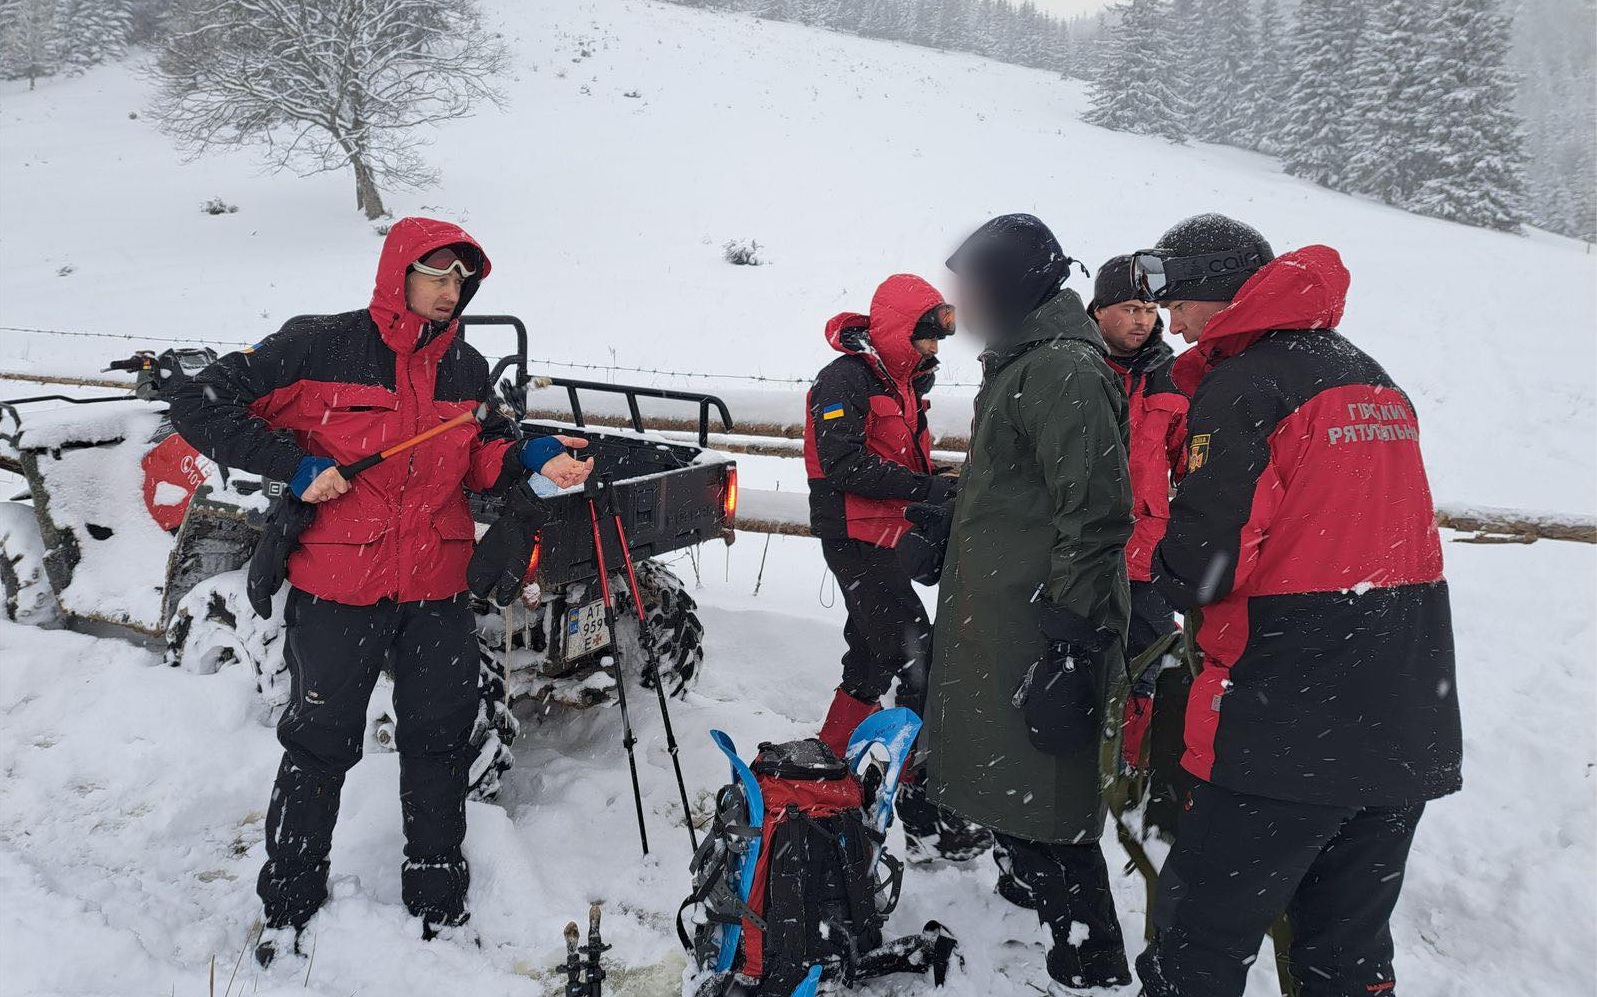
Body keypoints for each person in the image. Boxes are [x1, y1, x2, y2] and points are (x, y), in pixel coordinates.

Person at [169, 217, 594, 965]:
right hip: (338, 587)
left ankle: (436, 896)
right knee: (319, 744)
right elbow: (200, 404)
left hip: (435, 589)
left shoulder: (465, 366)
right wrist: (292, 466)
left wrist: (533, 453)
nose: (449, 290)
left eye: (461, 279)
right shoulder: (317, 345)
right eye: (436, 273)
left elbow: (480, 454)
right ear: (398, 272)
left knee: (437, 744)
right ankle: (290, 901)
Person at [1129, 214, 1462, 997]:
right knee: (1343, 954)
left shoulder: (1246, 383)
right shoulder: (1368, 375)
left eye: (1179, 300)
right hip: (1403, 712)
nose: (1170, 321)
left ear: (1218, 290)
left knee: (1197, 944)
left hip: (1284, 718)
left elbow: (1205, 565)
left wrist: (1149, 552)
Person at [923, 214, 1134, 995]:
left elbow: (1097, 512)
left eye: (973, 286)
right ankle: (1028, 902)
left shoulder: (1062, 371)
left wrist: (1071, 642)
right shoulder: (1022, 364)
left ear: (1011, 285)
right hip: (1006, 612)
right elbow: (1024, 492)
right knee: (1007, 773)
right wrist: (948, 523)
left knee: (1046, 794)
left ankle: (1090, 957)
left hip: (1041, 623)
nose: (963, 301)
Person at [803, 273, 987, 862]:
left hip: (887, 533)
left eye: (937, 340)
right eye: (925, 337)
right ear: (895, 330)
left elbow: (903, 456)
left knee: (872, 653)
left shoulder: (904, 382)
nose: (935, 349)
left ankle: (831, 755)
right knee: (918, 659)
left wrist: (933, 490)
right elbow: (843, 465)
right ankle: (921, 804)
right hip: (854, 535)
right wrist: (926, 489)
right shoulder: (844, 380)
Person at [1087, 257, 1192, 842]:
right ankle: (1074, 764)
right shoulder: (1072, 366)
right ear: (1098, 310)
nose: (1144, 321)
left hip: (1147, 550)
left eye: (1152, 310)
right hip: (1079, 547)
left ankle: (1131, 771)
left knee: (1150, 662)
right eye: (1130, 308)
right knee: (1074, 655)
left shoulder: (1170, 377)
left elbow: (1187, 461)